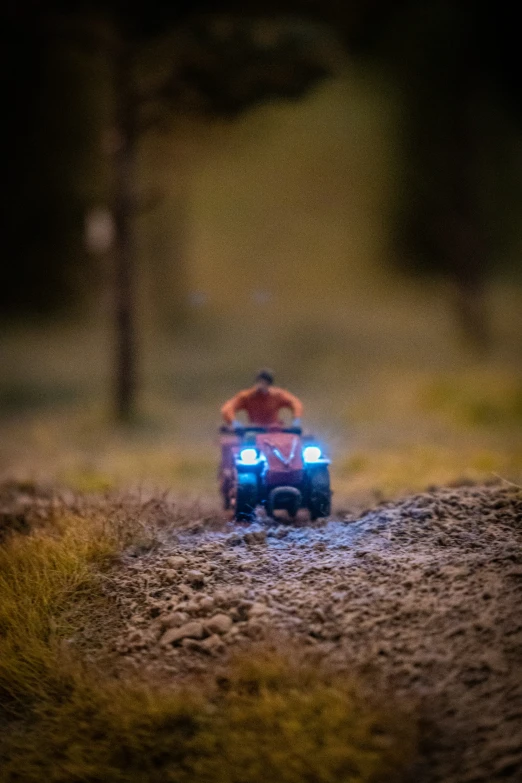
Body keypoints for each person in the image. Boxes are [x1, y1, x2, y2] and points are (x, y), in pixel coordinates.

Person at [221, 369, 303, 429]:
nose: (261, 385)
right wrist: (234, 422)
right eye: (259, 382)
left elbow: (295, 403)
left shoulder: (277, 395)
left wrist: (296, 419)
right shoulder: (247, 396)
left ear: (269, 385)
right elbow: (228, 408)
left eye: (264, 383)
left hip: (275, 430)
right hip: (254, 430)